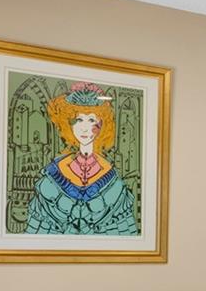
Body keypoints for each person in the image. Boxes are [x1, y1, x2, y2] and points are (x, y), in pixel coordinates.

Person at [25, 81, 139, 235]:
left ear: (102, 125)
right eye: (79, 120)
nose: (84, 128)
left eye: (91, 120)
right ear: (69, 124)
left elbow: (124, 231)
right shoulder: (53, 174)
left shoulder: (113, 179)